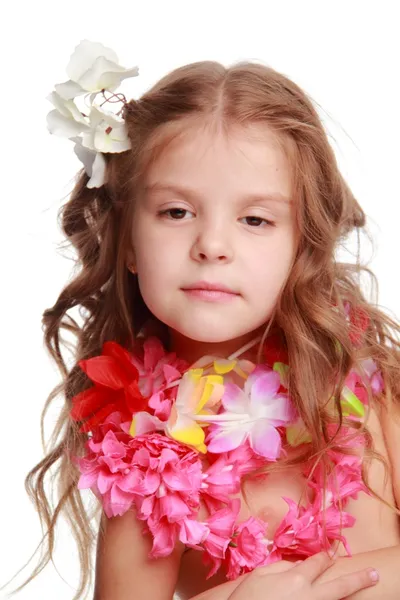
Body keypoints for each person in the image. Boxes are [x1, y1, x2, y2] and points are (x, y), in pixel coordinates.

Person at [7, 39, 400, 600]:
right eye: (176, 212)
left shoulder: (366, 387)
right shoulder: (145, 463)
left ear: (303, 245)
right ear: (127, 243)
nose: (212, 244)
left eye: (256, 219)